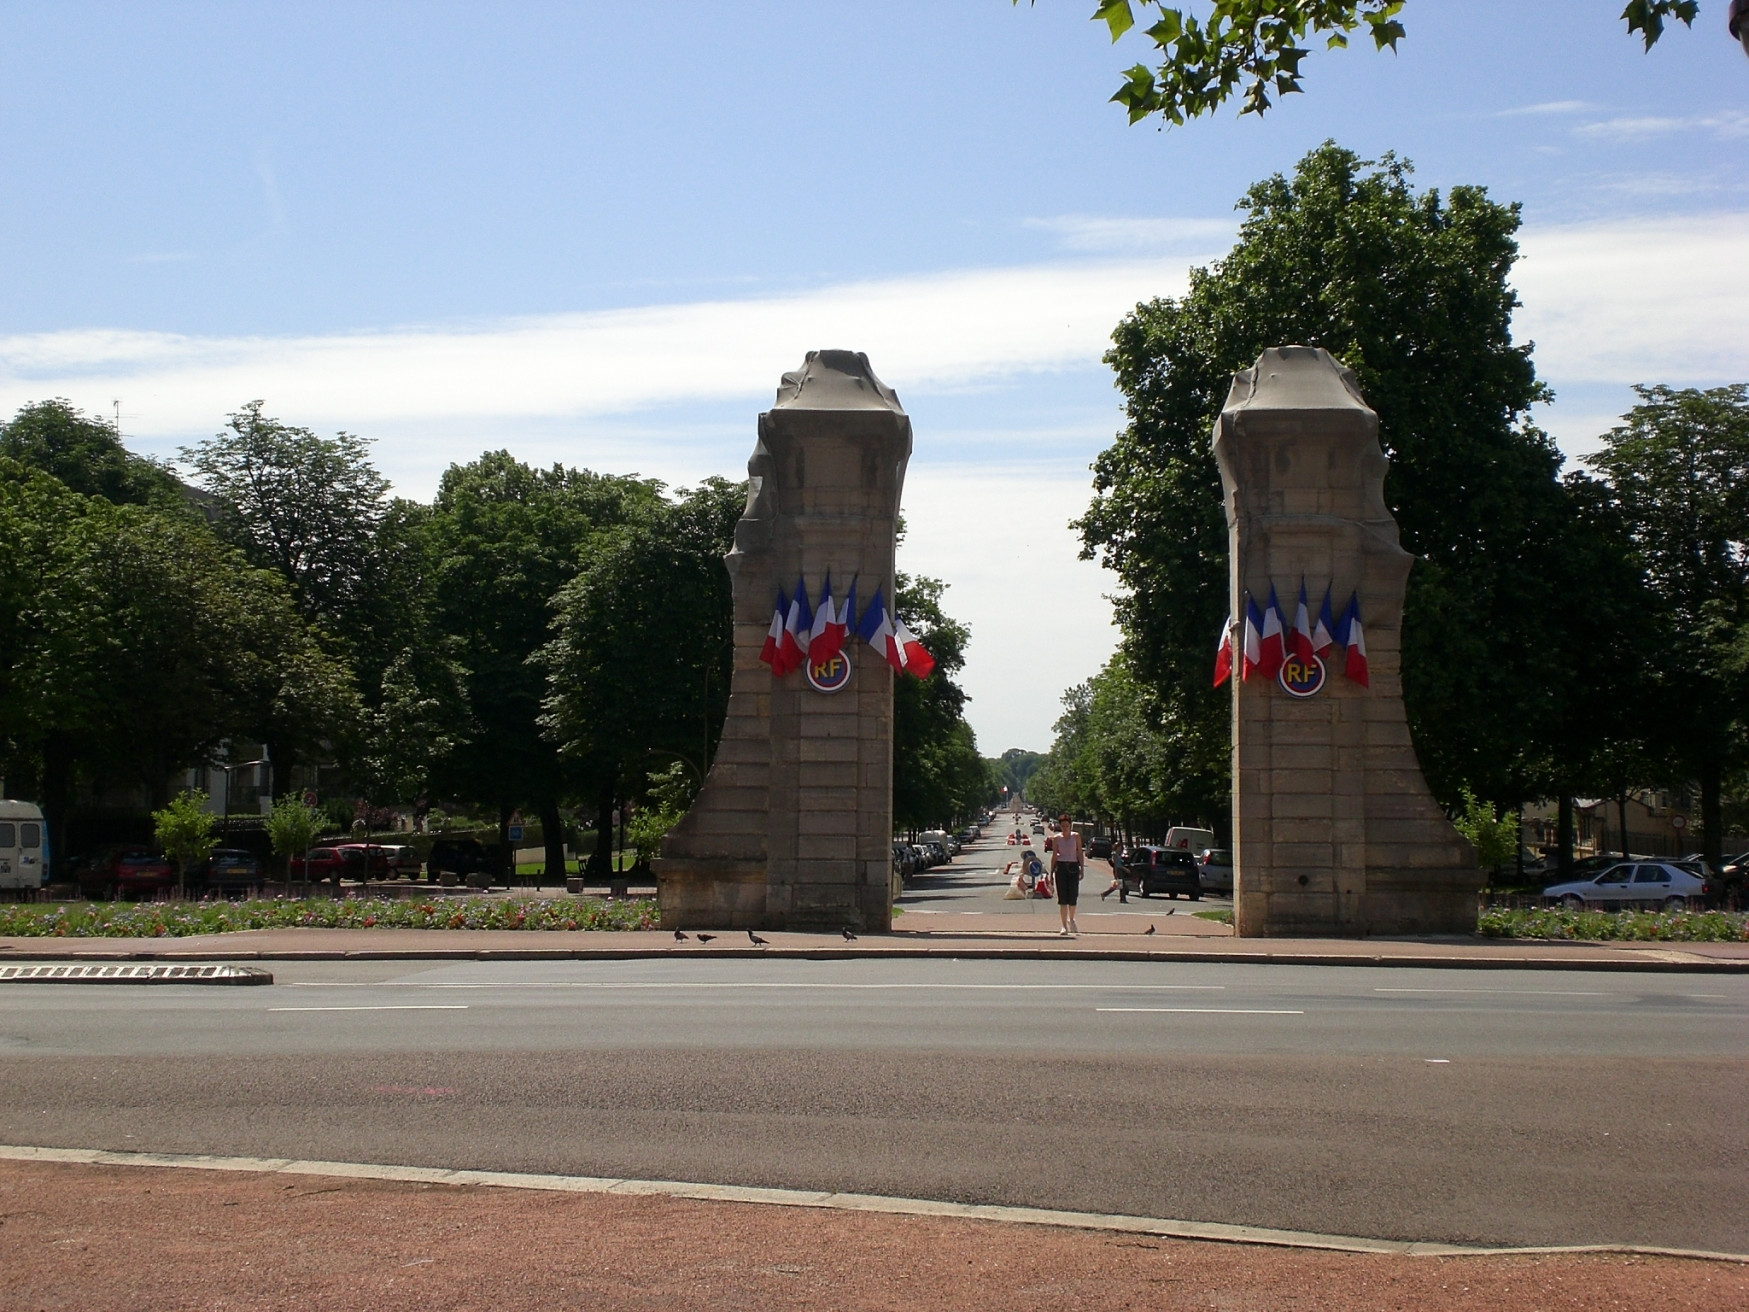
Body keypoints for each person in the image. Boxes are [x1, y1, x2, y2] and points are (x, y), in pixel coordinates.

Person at [1049, 813, 1083, 936]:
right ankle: (1063, 925)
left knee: (1073, 896)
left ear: (1070, 825)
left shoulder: (1076, 837)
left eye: (1067, 826)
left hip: (1073, 867)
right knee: (1062, 898)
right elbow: (1054, 856)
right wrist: (1051, 872)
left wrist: (1082, 869)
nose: (1065, 828)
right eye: (1063, 826)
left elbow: (1079, 853)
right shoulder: (1057, 838)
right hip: (1061, 867)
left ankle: (1071, 919)